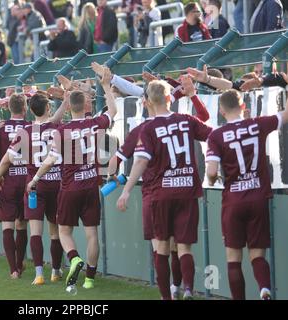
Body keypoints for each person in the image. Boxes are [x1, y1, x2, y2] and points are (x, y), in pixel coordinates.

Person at [116, 80, 212, 300]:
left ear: (147, 101)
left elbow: (140, 161)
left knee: (161, 247)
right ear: (170, 98)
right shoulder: (186, 120)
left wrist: (126, 190)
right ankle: (187, 288)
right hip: (187, 189)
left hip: (161, 192)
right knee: (184, 247)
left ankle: (166, 296)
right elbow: (211, 133)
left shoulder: (147, 128)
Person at [26, 66, 117, 290]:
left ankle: (74, 258)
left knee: (64, 231)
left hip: (69, 187)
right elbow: (113, 112)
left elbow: (50, 160)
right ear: (85, 107)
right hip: (90, 185)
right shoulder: (94, 123)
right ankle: (89, 279)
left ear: (69, 109)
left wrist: (35, 179)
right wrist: (105, 85)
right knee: (92, 234)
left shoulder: (61, 131)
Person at [206, 89, 288, 300]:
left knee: (233, 258)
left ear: (221, 111)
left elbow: (212, 172)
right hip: (258, 198)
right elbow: (285, 114)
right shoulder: (258, 124)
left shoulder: (216, 136)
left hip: (233, 201)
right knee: (257, 254)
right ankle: (264, 289)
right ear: (243, 106)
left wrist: (215, 179)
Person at [0, 92, 67, 285]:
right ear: (48, 108)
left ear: (31, 110)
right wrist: (67, 99)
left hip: (35, 185)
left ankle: (38, 274)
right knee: (55, 231)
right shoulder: (57, 128)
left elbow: (6, 159)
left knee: (35, 230)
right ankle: (55, 270)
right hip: (56, 183)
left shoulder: (25, 132)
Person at [0, 94, 31, 279]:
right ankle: (20, 264)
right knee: (22, 225)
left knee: (7, 226)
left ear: (9, 109)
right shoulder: (31, 127)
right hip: (27, 180)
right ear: (25, 108)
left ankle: (13, 270)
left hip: (7, 180)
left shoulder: (1, 130)